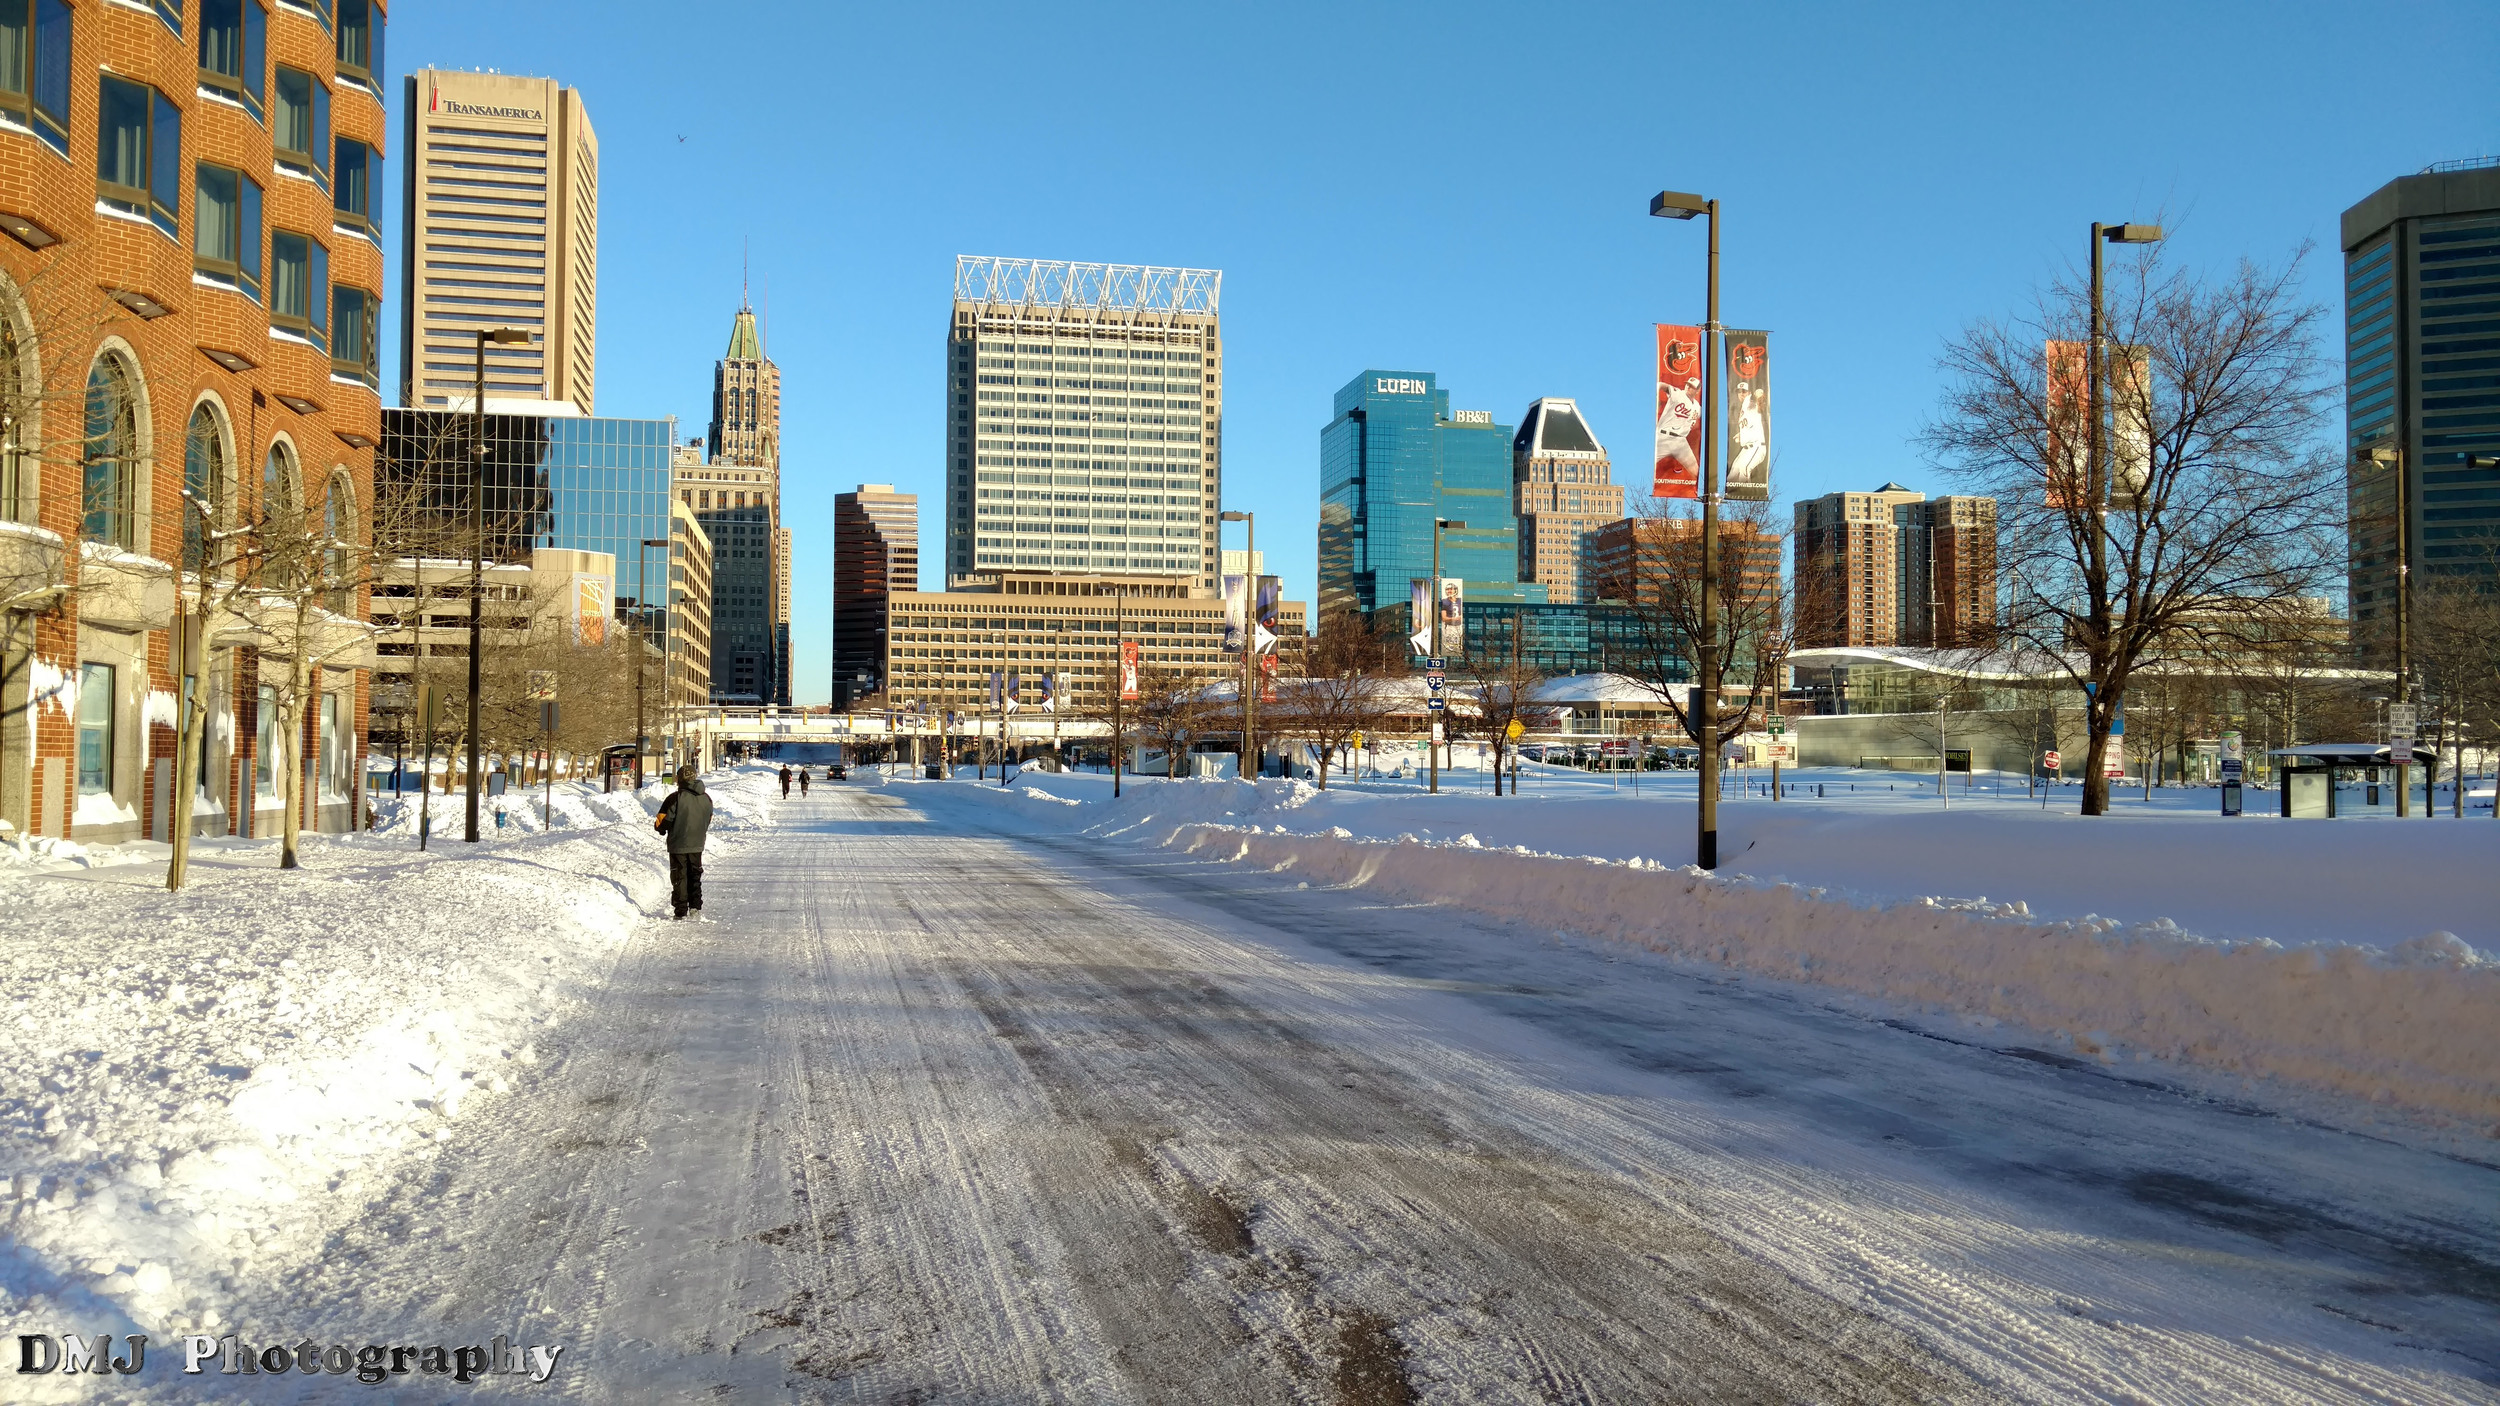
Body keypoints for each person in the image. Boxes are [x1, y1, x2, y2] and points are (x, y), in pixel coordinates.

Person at [656, 764, 713, 920]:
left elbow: (662, 821)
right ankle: (695, 906)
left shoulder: (675, 798)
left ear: (680, 779)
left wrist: (661, 829)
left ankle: (680, 910)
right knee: (695, 874)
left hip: (678, 844)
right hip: (697, 843)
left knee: (679, 876)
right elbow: (708, 818)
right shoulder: (706, 798)